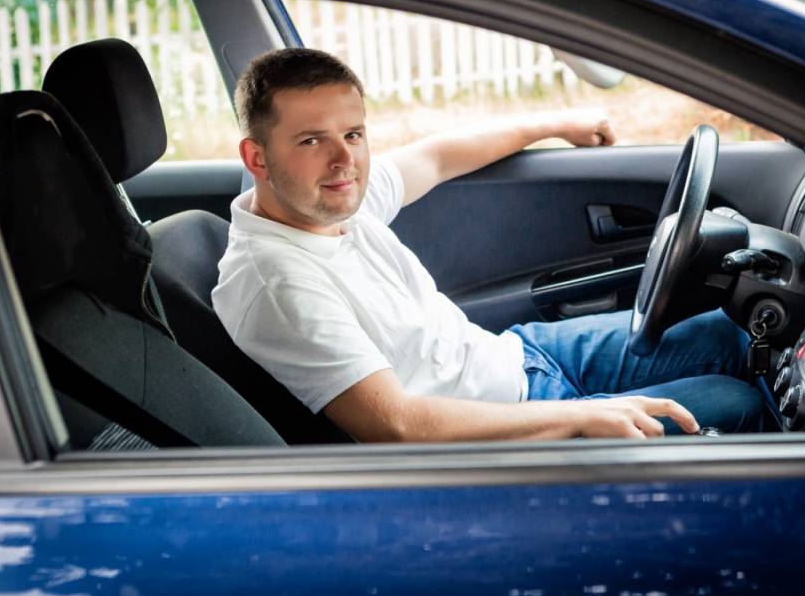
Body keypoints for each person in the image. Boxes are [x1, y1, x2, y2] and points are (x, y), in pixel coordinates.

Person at [212, 48, 761, 442]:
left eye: (353, 134)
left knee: (729, 330)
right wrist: (581, 417)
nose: (344, 160)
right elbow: (396, 424)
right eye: (312, 140)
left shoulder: (327, 201)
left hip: (518, 356)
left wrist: (555, 123)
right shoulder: (277, 284)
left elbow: (435, 158)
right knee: (737, 404)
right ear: (257, 157)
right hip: (507, 432)